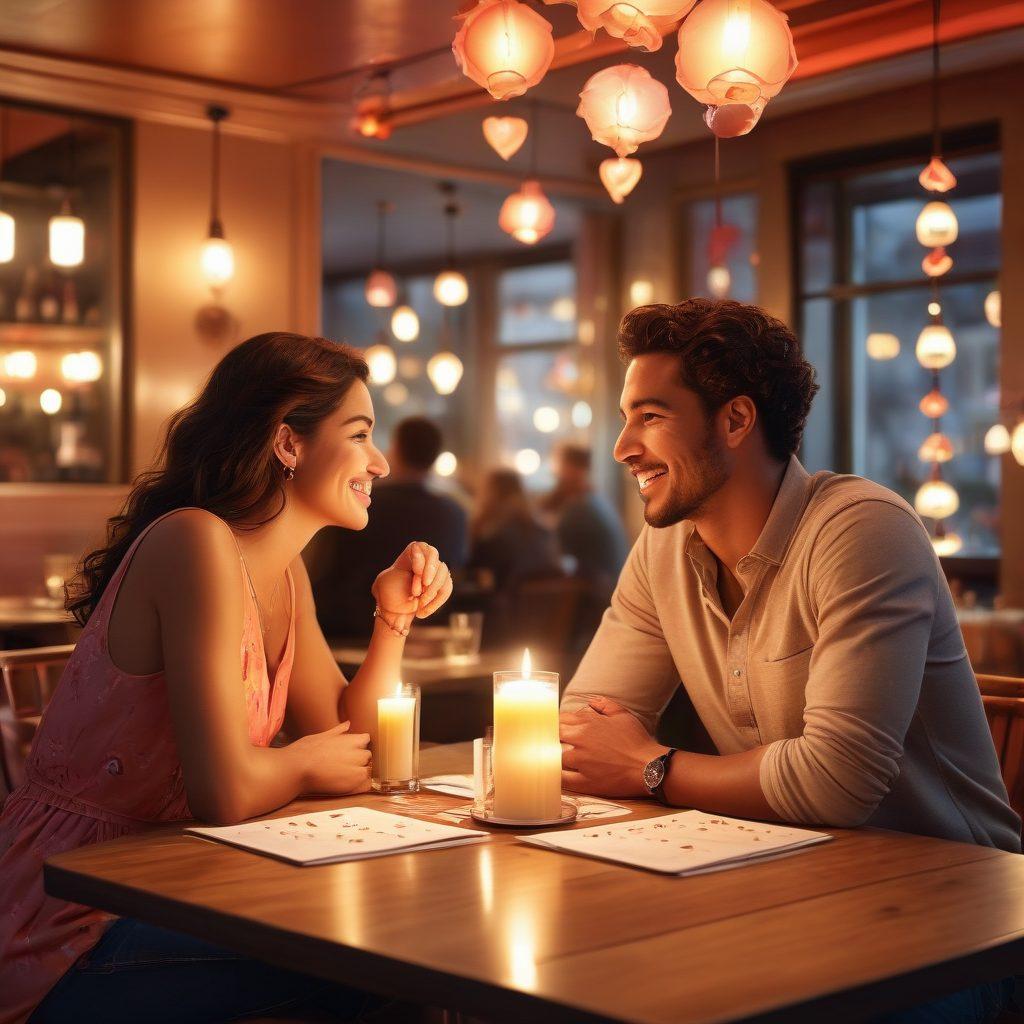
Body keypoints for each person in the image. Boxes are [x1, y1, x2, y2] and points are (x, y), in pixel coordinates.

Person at [559, 299, 1019, 1021]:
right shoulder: (664, 549)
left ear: (736, 421)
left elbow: (837, 782)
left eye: (650, 416)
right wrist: (619, 755)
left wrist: (651, 767)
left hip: (958, 926)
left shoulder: (862, 530)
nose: (622, 446)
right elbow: (582, 730)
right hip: (791, 892)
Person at [0, 332, 453, 1024]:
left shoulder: (283, 571)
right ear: (288, 443)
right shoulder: (195, 542)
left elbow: (359, 746)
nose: (380, 462)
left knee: (406, 932)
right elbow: (225, 790)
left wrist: (391, 618)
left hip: (178, 879)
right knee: (394, 954)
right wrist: (301, 765)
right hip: (68, 915)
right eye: (359, 435)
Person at [309, 416, 467, 640]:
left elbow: (327, 571)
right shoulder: (454, 512)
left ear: (397, 448)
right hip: (431, 629)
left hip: (347, 630)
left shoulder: (360, 504)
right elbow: (459, 571)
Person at [541, 442, 629, 595]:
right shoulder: (596, 500)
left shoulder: (580, 508)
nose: (554, 473)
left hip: (599, 596)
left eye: (559, 465)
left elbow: (552, 554)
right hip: (613, 588)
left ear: (571, 468)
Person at [467, 468, 559, 594]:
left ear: (491, 494)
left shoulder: (495, 538)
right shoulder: (543, 533)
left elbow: (471, 573)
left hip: (505, 609)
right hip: (546, 609)